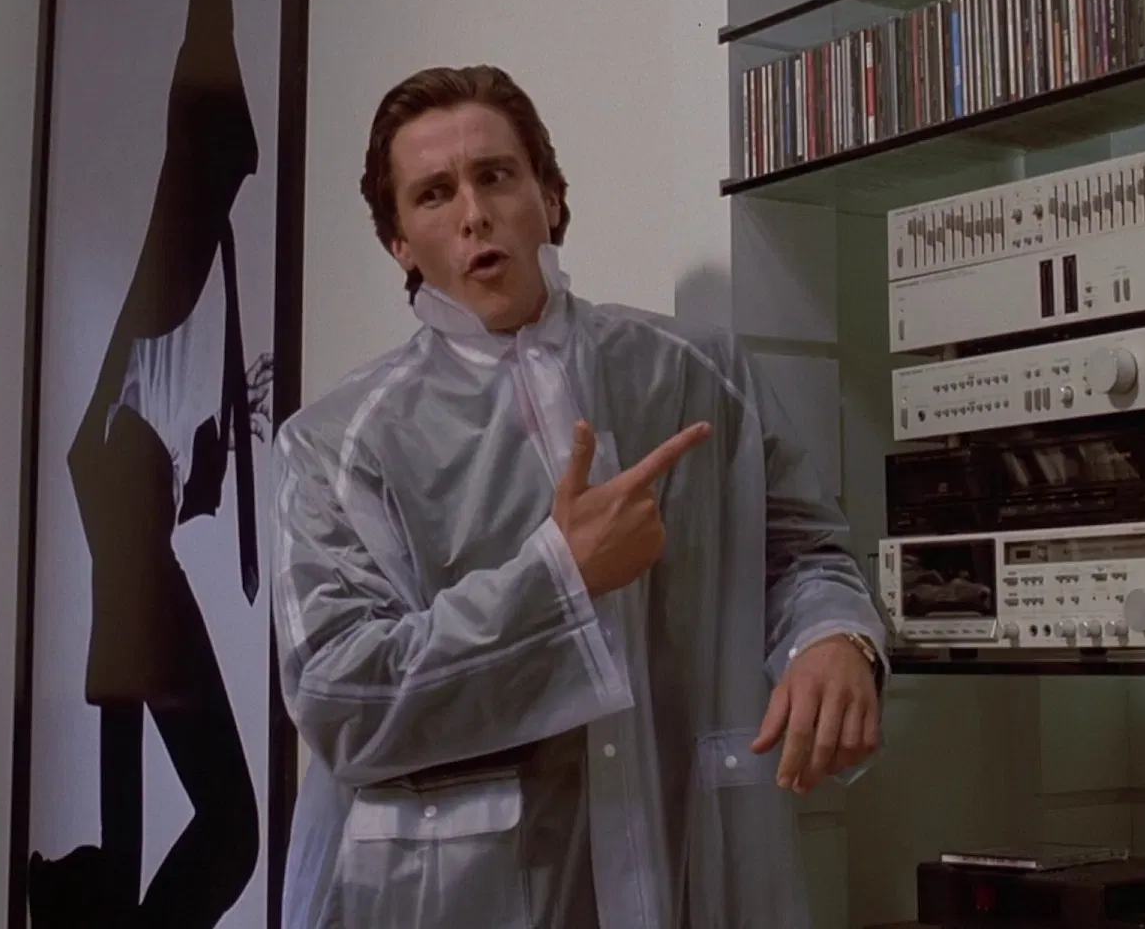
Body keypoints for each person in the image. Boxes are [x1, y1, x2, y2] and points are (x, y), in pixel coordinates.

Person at [270, 64, 890, 929]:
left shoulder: (697, 373)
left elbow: (804, 554)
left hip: (689, 873)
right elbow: (343, 696)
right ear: (400, 243)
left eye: (496, 176)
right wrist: (559, 579)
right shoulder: (337, 443)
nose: (474, 214)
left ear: (550, 197)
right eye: (434, 195)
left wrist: (836, 638)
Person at [25, 0, 263, 926]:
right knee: (231, 827)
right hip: (133, 561)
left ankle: (86, 896)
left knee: (152, 841)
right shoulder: (178, 205)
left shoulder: (165, 301)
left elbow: (102, 452)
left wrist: (188, 476)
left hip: (128, 556)